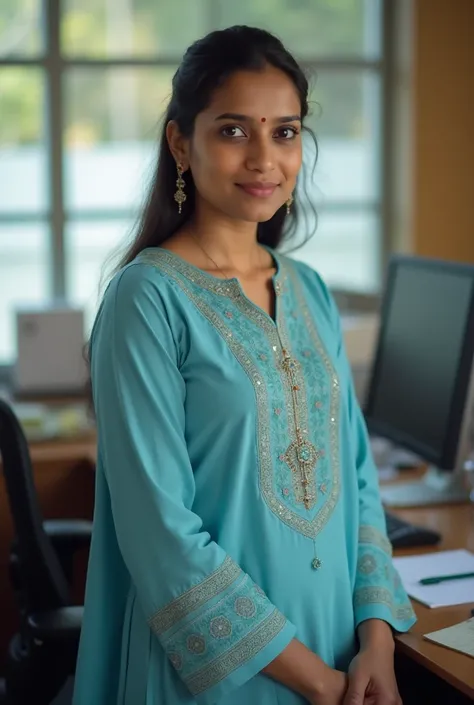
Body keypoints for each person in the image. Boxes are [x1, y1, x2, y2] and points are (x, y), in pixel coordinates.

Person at [73, 25, 416, 705]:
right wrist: (318, 682)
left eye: (284, 132)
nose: (265, 157)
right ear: (180, 142)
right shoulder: (146, 299)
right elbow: (160, 533)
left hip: (343, 655)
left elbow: (357, 481)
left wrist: (375, 638)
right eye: (233, 131)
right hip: (214, 674)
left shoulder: (311, 290)